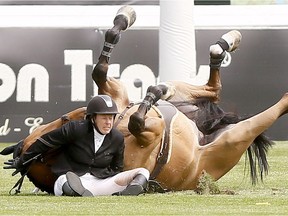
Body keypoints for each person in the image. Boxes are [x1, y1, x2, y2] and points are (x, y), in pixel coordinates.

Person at [4, 95, 150, 196]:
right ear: (92, 118)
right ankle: (77, 192)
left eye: (111, 118)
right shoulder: (75, 128)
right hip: (71, 179)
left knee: (142, 172)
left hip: (101, 183)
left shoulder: (117, 137)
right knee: (65, 180)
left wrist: (114, 179)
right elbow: (44, 142)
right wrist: (22, 161)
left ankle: (123, 193)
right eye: (104, 118)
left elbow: (117, 167)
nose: (109, 122)